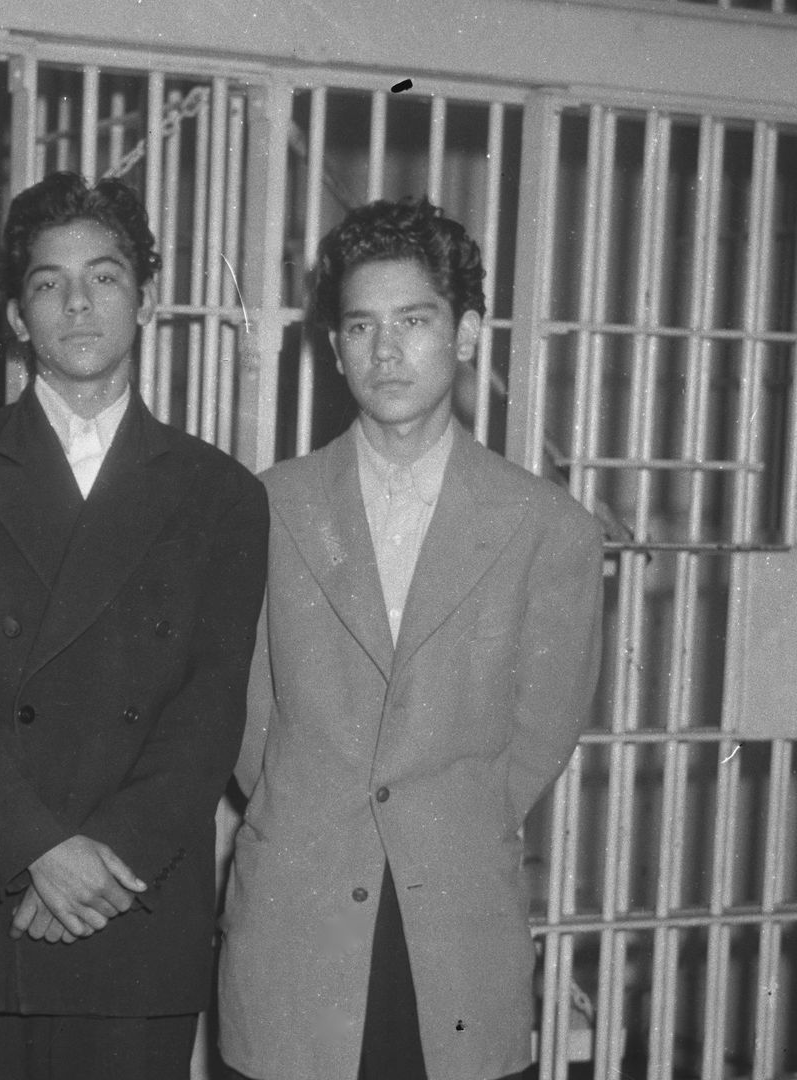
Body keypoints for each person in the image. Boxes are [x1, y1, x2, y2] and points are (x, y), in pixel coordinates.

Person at [0, 171, 268, 1079]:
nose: (78, 303)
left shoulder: (221, 495)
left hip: (134, 905)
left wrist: (103, 863)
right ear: (16, 316)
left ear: (146, 299)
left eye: (104, 276)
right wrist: (38, 852)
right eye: (49, 283)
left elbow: (211, 709)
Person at [217, 197, 605, 1080]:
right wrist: (319, 801)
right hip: (299, 915)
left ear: (467, 334)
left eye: (414, 320)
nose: (385, 350)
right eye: (361, 326)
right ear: (335, 346)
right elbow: (246, 725)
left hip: (457, 923)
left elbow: (538, 736)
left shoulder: (550, 529)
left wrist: (436, 811)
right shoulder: (266, 508)